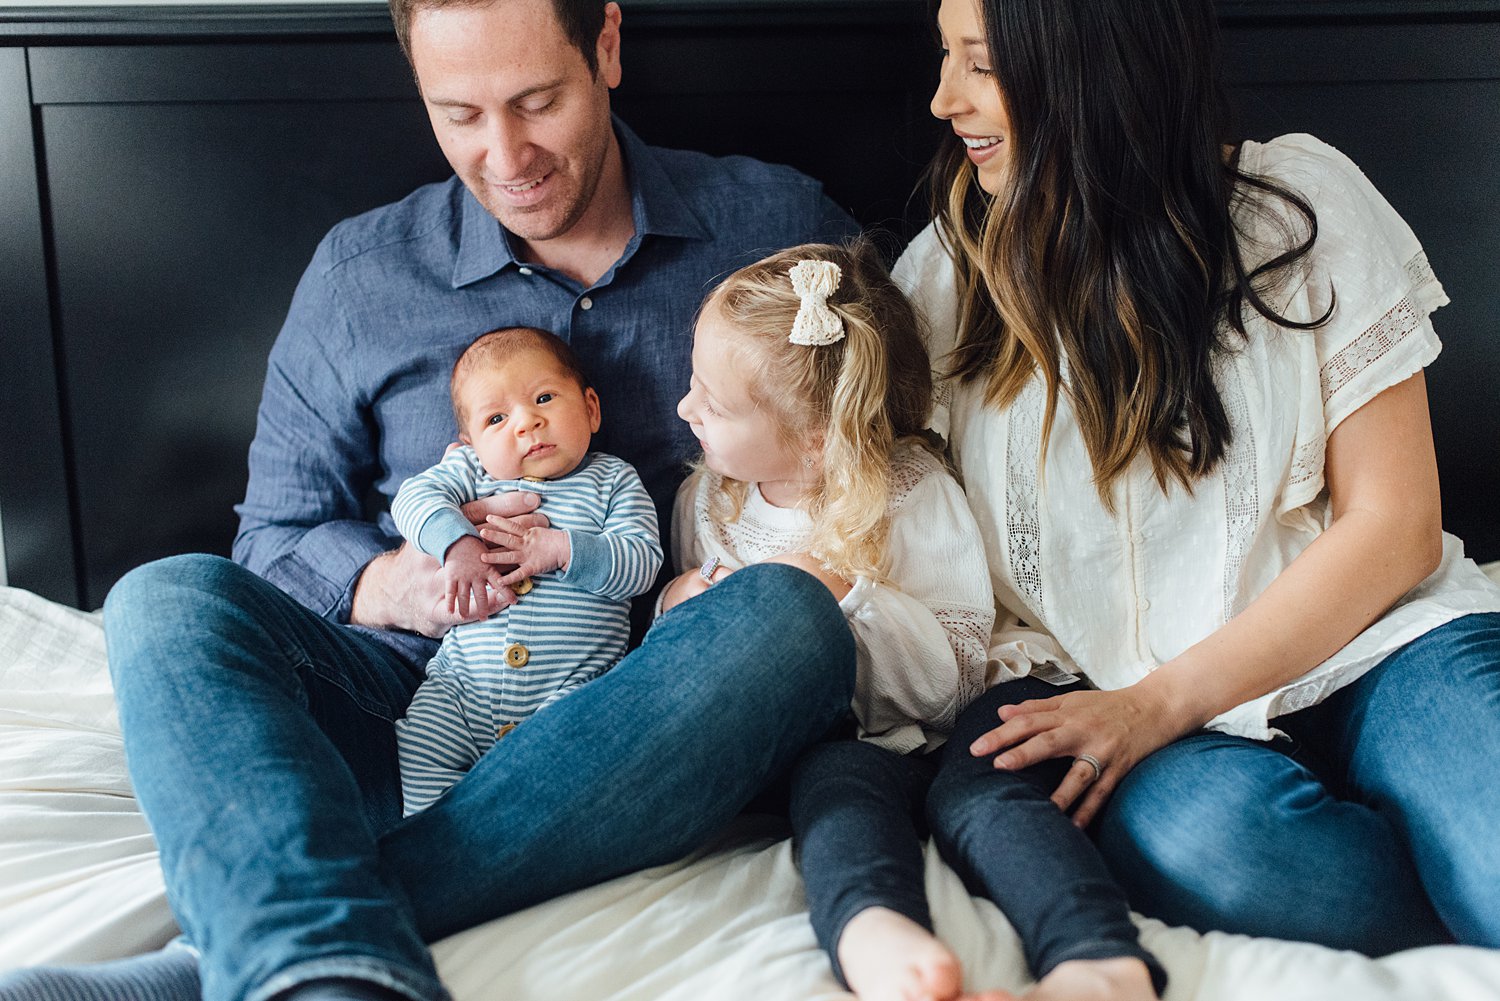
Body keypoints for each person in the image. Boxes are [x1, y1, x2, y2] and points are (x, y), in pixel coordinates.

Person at [0, 1, 859, 999]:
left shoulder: (775, 233)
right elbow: (269, 539)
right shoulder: (361, 277)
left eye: (537, 102)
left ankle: (270, 956)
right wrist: (399, 582)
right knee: (163, 599)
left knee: (794, 620)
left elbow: (899, 452)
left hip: (650, 712)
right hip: (410, 706)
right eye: (460, 115)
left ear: (608, 48)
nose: (507, 156)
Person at [895, 0, 1500, 963]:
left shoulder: (1298, 205)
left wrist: (1161, 701)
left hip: (1377, 649)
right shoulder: (942, 281)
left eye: (978, 63)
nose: (941, 98)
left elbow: (1398, 527)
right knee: (1220, 847)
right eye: (943, 58)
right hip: (1138, 717)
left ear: (1093, 69)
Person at [662, 241, 1166, 1001]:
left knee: (984, 796)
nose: (683, 408)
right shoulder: (712, 499)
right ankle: (879, 937)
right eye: (695, 383)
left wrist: (836, 589)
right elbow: (687, 648)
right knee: (833, 795)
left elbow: (949, 676)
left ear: (816, 438)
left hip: (970, 702)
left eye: (713, 401)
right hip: (850, 742)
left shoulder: (911, 491)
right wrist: (681, 602)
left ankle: (1097, 960)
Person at [391, 327, 661, 814]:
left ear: (591, 409)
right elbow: (411, 499)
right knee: (419, 749)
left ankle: (513, 838)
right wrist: (458, 545)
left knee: (566, 766)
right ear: (470, 443)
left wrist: (563, 549)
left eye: (544, 398)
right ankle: (432, 841)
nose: (527, 422)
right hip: (461, 687)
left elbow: (642, 565)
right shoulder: (471, 474)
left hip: (572, 688)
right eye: (497, 417)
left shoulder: (613, 480)